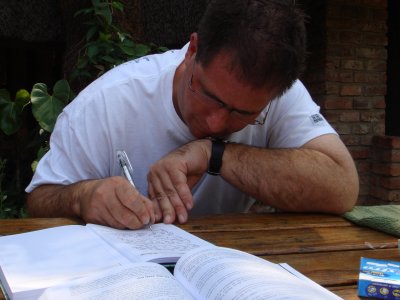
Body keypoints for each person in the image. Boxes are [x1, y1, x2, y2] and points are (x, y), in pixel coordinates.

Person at [26, 0, 359, 230]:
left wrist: (214, 155)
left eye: (243, 113)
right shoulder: (109, 102)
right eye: (209, 95)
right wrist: (81, 198)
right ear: (193, 50)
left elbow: (342, 187)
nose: (215, 123)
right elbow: (38, 201)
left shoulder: (277, 94)